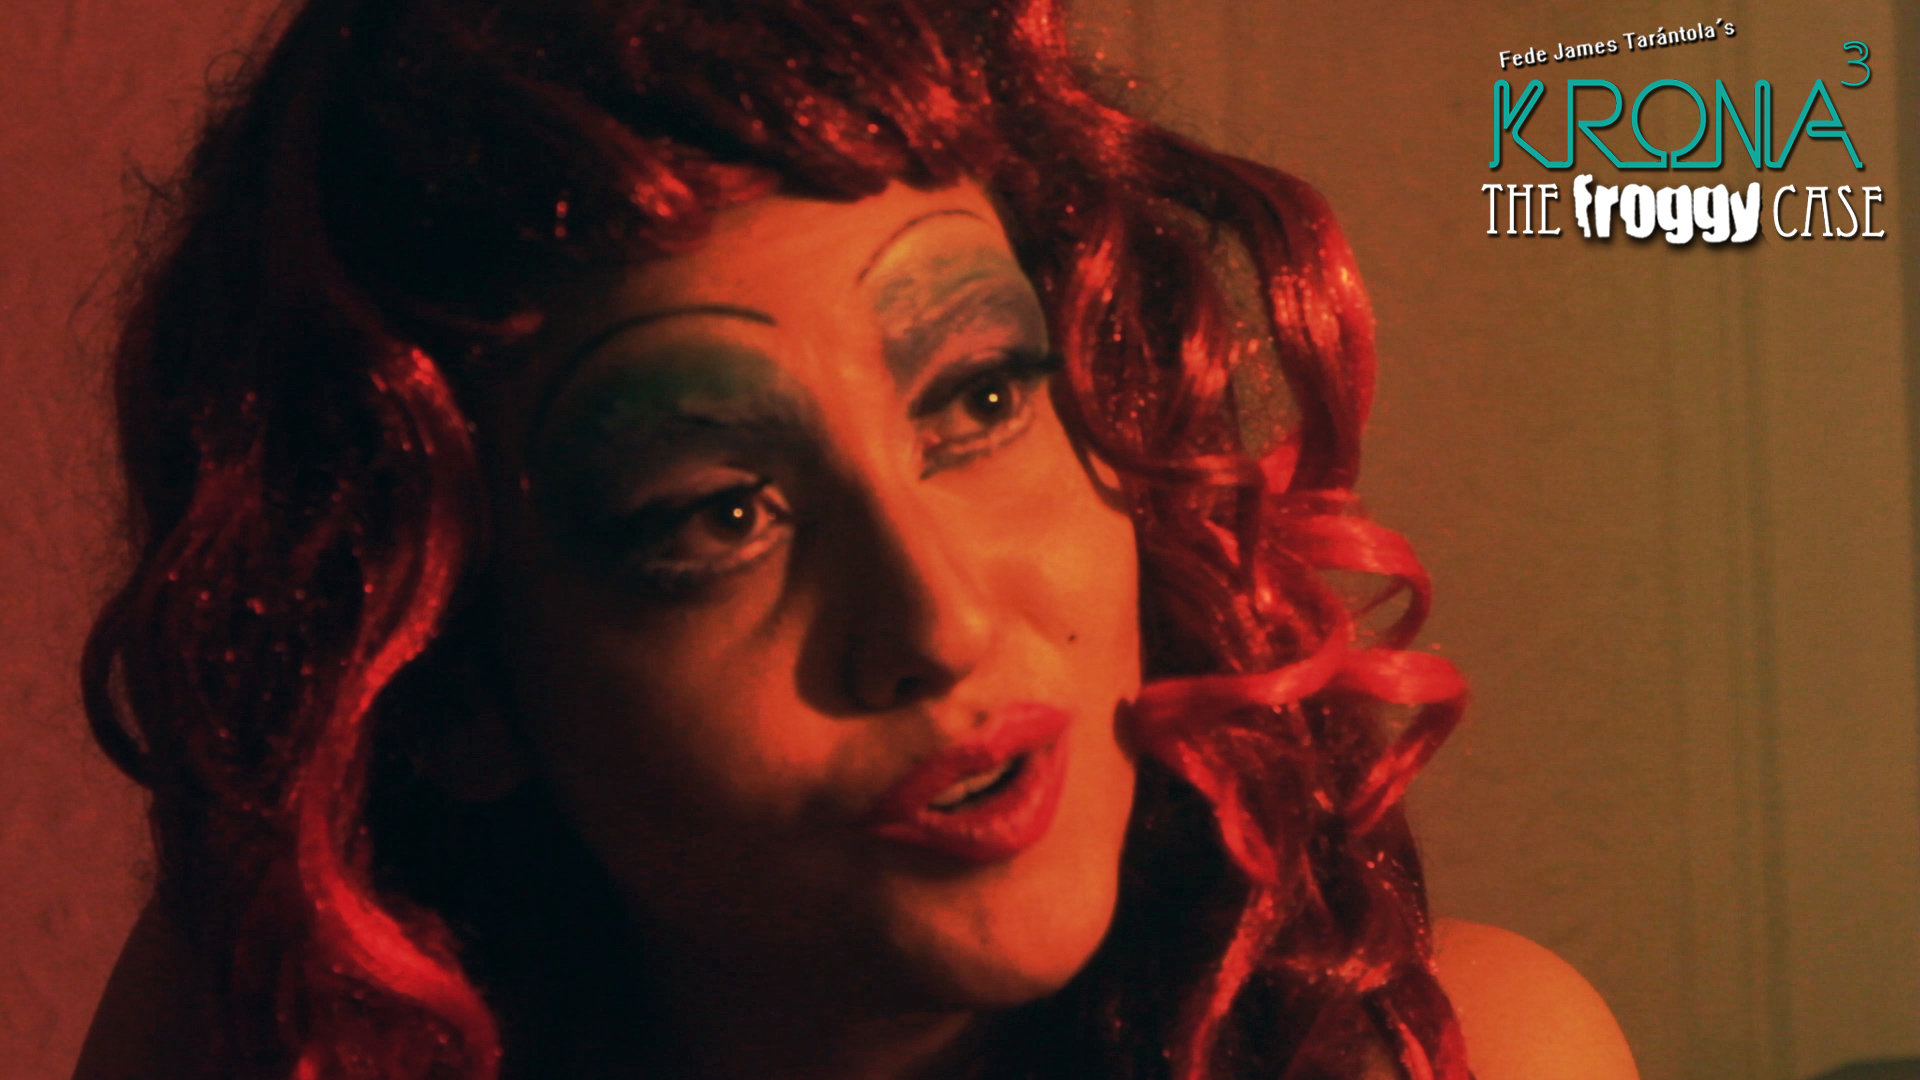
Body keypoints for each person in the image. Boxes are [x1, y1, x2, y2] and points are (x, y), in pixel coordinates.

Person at [71, 0, 1639, 1077]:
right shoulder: (274, 1026)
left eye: (980, 398)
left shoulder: (1450, 1053)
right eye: (721, 513)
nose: (938, 620)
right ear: (447, 682)